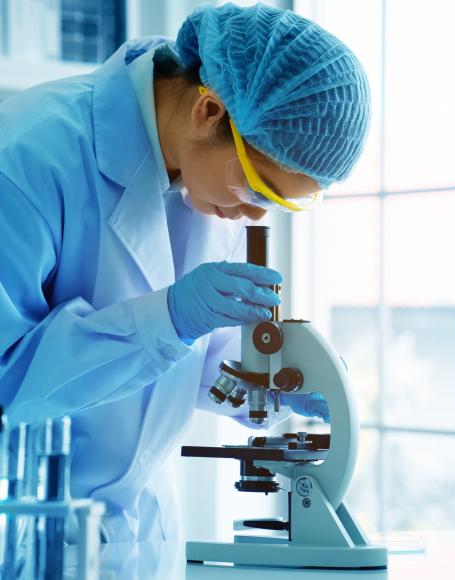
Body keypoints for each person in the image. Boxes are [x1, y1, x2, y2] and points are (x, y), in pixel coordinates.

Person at [0, 3, 370, 541]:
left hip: (141, 535)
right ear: (209, 112)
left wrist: (262, 381)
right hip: (25, 526)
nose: (253, 215)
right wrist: (169, 319)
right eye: (256, 188)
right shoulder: (29, 156)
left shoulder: (206, 181)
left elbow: (193, 361)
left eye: (276, 202)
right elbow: (9, 383)